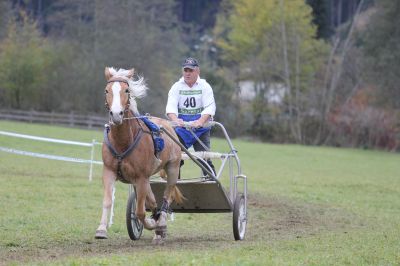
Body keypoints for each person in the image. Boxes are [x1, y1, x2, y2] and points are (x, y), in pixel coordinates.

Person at [166, 57, 216, 177]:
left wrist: (200, 121)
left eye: (191, 70)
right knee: (175, 158)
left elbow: (210, 108)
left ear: (197, 71)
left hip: (201, 129)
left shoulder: (205, 86)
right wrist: (175, 120)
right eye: (185, 70)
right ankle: (175, 186)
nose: (187, 73)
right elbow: (170, 107)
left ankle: (212, 184)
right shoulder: (176, 87)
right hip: (182, 129)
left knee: (204, 159)